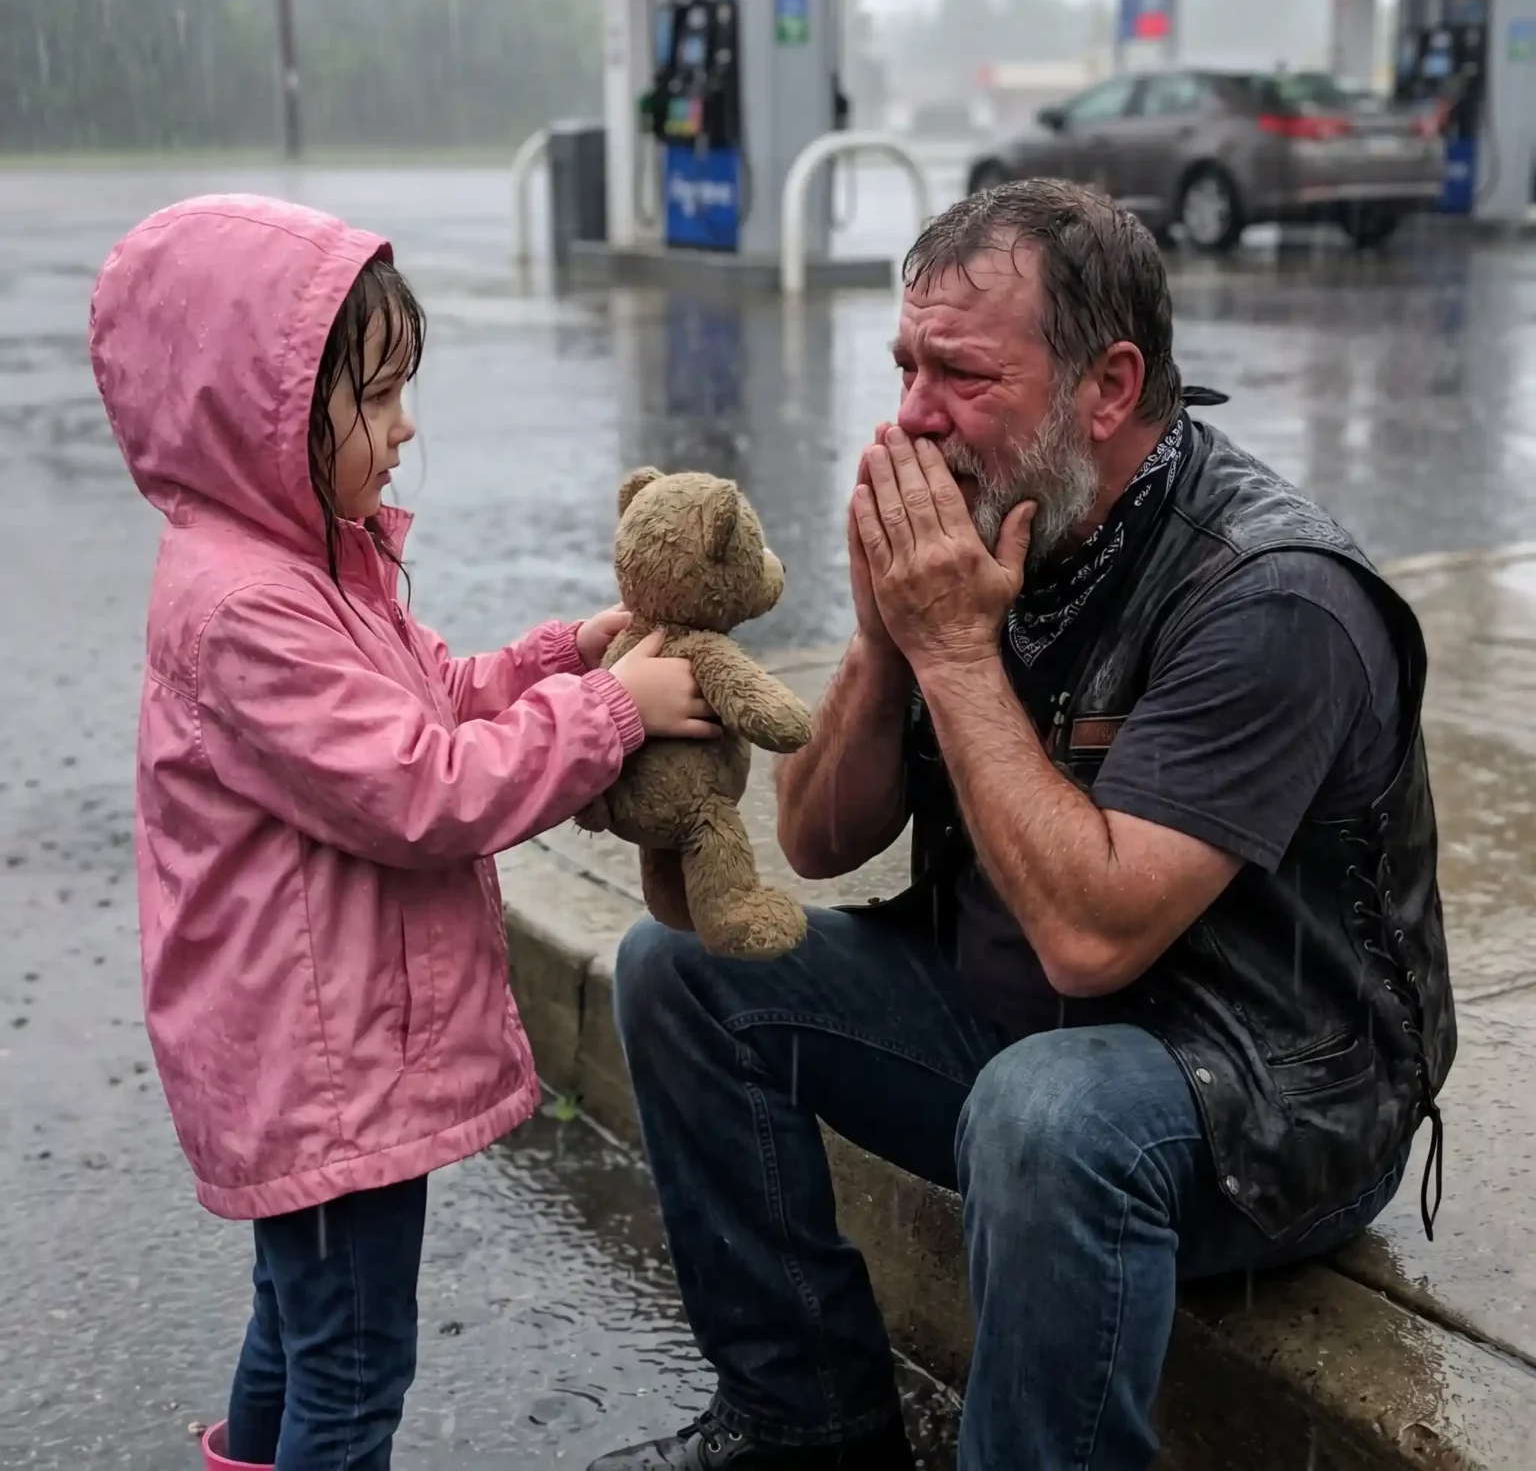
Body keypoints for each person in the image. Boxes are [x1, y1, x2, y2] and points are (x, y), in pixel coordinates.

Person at [589, 179, 1456, 1471]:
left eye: (962, 375)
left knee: (1043, 1112)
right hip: (1016, 1033)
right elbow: (817, 840)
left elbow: (1090, 943)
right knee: (682, 967)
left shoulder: (1274, 599)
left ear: (1108, 388)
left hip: (1268, 1099)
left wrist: (951, 650)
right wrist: (884, 638)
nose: (912, 415)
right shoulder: (1006, 515)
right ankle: (801, 1420)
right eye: (906, 366)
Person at [89, 194, 720, 1471]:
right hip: (320, 1071)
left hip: (321, 1055)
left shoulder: (309, 563)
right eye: (375, 396)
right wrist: (612, 714)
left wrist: (565, 655)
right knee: (353, 1367)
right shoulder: (253, 611)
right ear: (255, 416)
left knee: (304, 1330)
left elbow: (433, 696)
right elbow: (425, 788)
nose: (405, 425)